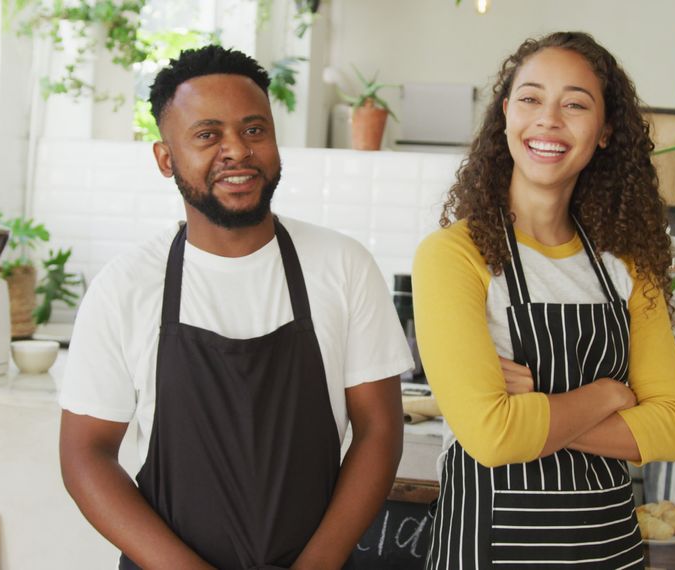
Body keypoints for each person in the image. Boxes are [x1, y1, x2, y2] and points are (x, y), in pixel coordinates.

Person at [58, 45, 411, 570]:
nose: (237, 151)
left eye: (254, 130)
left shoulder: (342, 266)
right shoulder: (125, 287)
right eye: (207, 135)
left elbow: (379, 430)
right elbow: (85, 455)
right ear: (165, 158)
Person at [413, 31, 675, 568]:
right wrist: (611, 394)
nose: (548, 120)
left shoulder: (630, 262)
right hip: (490, 547)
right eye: (531, 98)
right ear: (506, 115)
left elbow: (672, 428)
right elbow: (492, 438)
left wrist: (532, 406)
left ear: (606, 131)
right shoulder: (455, 256)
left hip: (607, 548)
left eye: (576, 105)